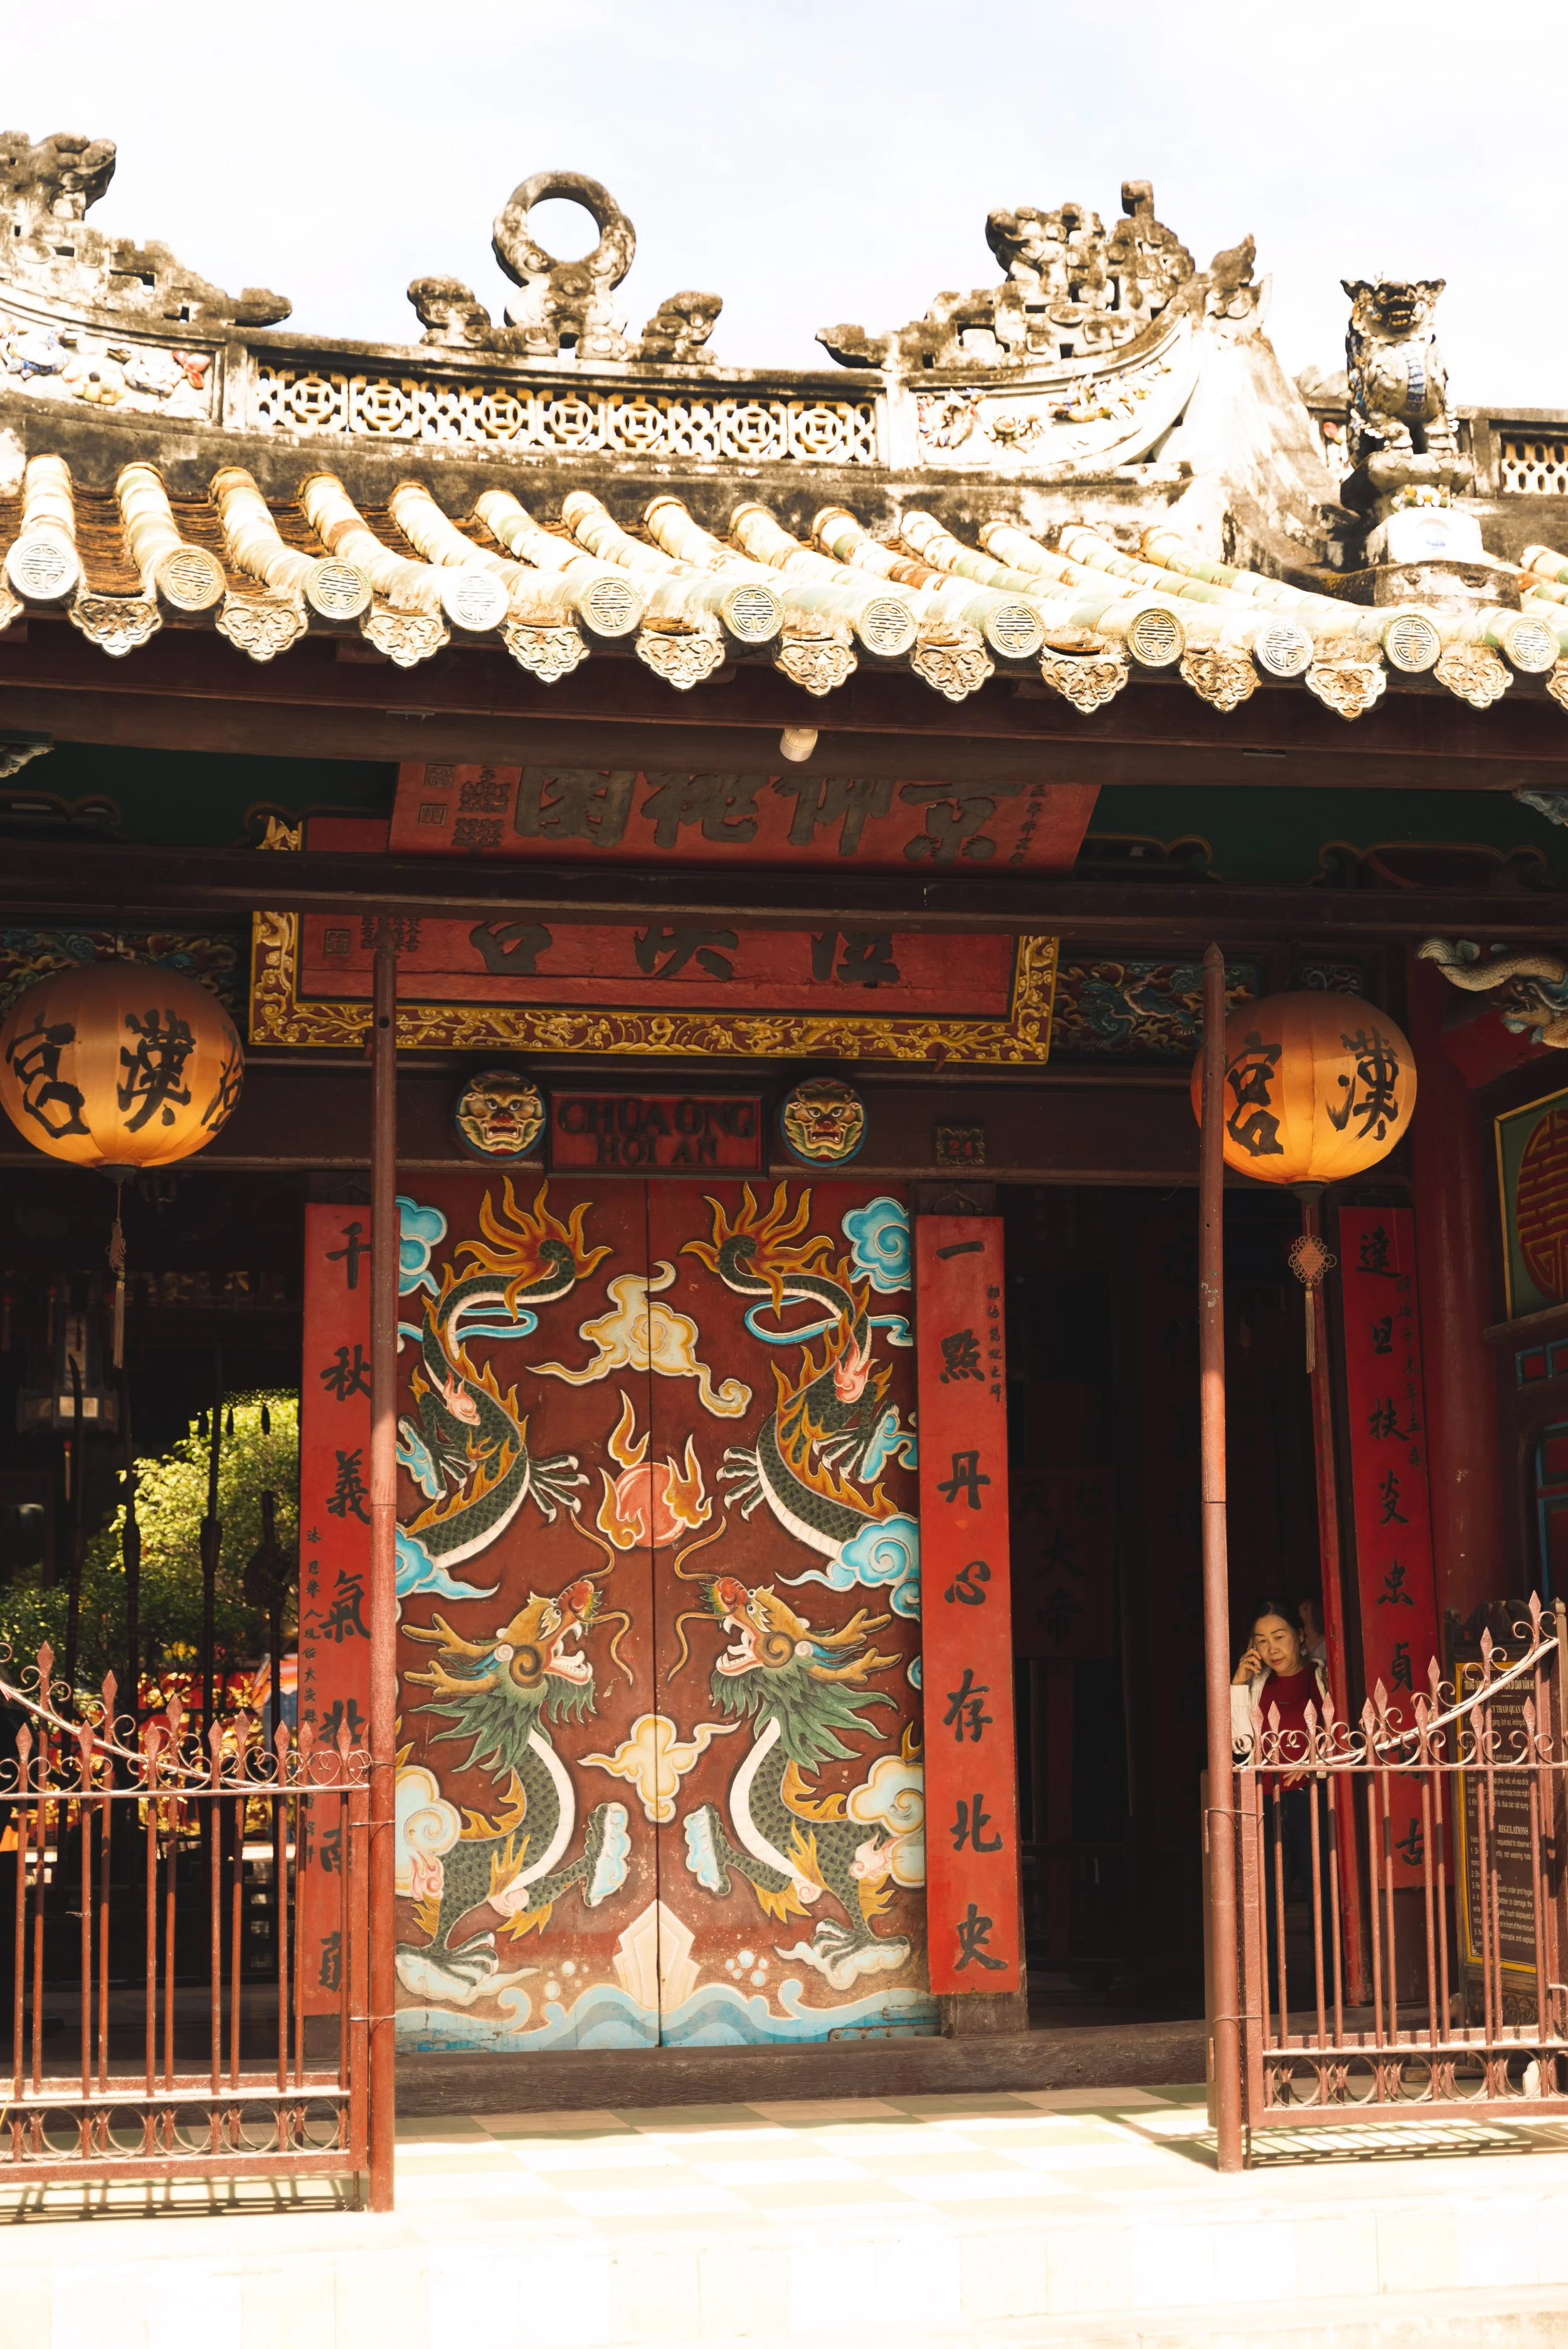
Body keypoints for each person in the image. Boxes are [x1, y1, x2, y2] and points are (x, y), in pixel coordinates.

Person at [1231, 1603, 1333, 1956]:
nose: (1271, 1648)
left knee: (1321, 1895)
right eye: (1261, 1641)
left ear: (1300, 1636)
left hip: (1311, 1797)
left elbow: (1342, 1733)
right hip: (1265, 1800)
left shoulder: (1320, 1676)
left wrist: (1317, 1760)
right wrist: (1237, 1686)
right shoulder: (1257, 1685)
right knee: (1266, 1899)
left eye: (1279, 1637)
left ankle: (1329, 1987)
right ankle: (1268, 1990)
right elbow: (1239, 1747)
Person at [1298, 1591, 1327, 1667]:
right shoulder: (1297, 1640)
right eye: (1305, 1608)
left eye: (1314, 1608)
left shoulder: (1328, 1640)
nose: (1310, 1613)